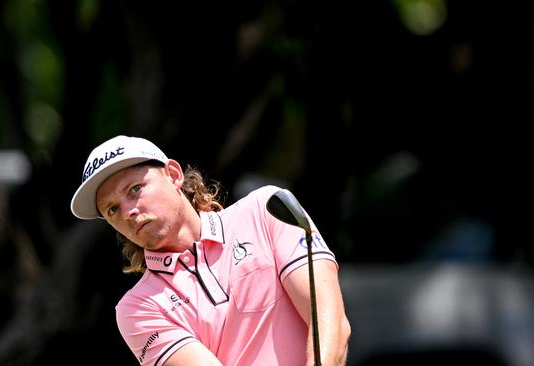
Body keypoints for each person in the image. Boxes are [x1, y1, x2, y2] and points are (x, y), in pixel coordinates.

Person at [70, 135, 351, 366]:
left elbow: (331, 322)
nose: (129, 212)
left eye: (135, 189)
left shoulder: (268, 210)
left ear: (173, 175)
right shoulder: (139, 308)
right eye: (113, 209)